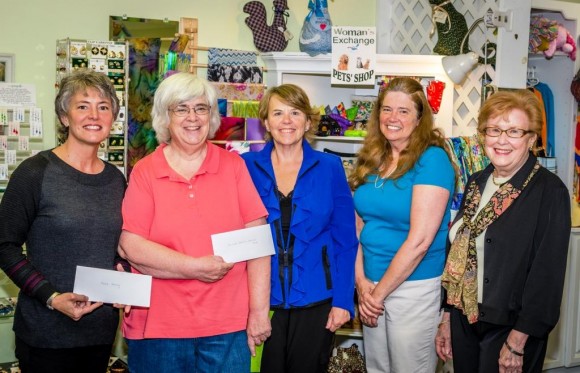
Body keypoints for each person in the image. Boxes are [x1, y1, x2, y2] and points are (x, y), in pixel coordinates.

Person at [118, 72, 271, 373]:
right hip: (159, 329)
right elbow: (131, 245)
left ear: (212, 116)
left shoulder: (233, 167)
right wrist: (196, 268)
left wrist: (258, 312)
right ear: (165, 117)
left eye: (201, 108)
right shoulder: (146, 172)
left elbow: (258, 245)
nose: (193, 118)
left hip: (227, 327)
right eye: (181, 108)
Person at [0, 68, 127, 372]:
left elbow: (115, 248)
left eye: (104, 106)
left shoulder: (116, 180)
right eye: (82, 106)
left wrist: (125, 275)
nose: (94, 115)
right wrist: (51, 297)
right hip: (46, 334)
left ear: (112, 118)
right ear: (64, 117)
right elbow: (4, 246)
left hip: (99, 334)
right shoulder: (34, 173)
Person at [436, 90, 571, 373]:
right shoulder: (476, 182)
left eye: (513, 131)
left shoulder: (549, 191)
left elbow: (547, 274)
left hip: (511, 328)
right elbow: (457, 254)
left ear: (531, 139)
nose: (501, 140)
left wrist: (518, 340)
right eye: (494, 130)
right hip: (464, 317)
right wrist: (447, 317)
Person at [242, 84, 358, 372]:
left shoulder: (330, 166)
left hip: (317, 301)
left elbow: (345, 240)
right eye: (278, 113)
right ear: (266, 122)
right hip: (259, 302)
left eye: (295, 112)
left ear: (307, 121)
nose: (287, 121)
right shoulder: (243, 166)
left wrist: (343, 300)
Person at [349, 77, 456, 372]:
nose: (392, 118)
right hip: (371, 284)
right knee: (378, 369)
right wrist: (361, 284)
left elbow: (420, 240)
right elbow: (358, 228)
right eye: (386, 109)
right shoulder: (373, 159)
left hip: (412, 287)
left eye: (404, 111)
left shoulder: (432, 160)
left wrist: (378, 294)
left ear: (420, 118)